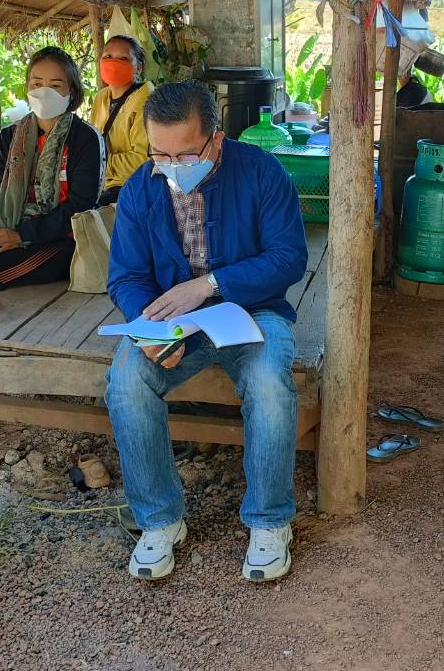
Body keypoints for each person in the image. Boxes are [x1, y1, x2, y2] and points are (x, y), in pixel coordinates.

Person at [104, 81, 308, 583]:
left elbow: (290, 258)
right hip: (176, 322)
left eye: (185, 153)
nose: (171, 165)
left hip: (255, 311)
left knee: (267, 382)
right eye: (160, 153)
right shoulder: (140, 188)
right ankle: (159, 520)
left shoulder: (263, 173)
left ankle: (269, 520)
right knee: (127, 380)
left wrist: (211, 284)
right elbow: (126, 277)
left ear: (215, 141)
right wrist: (150, 330)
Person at [0, 46, 102, 319]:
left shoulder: (85, 138)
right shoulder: (9, 138)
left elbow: (81, 206)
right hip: (8, 231)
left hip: (63, 242)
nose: (44, 91)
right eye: (36, 83)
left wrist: (22, 235)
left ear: (71, 92)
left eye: (55, 84)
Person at [89, 34, 152, 205]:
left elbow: (143, 161)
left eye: (123, 58)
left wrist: (98, 164)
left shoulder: (147, 101)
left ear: (138, 68)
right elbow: (92, 143)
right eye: (107, 57)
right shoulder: (101, 98)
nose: (113, 62)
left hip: (132, 190)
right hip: (101, 185)